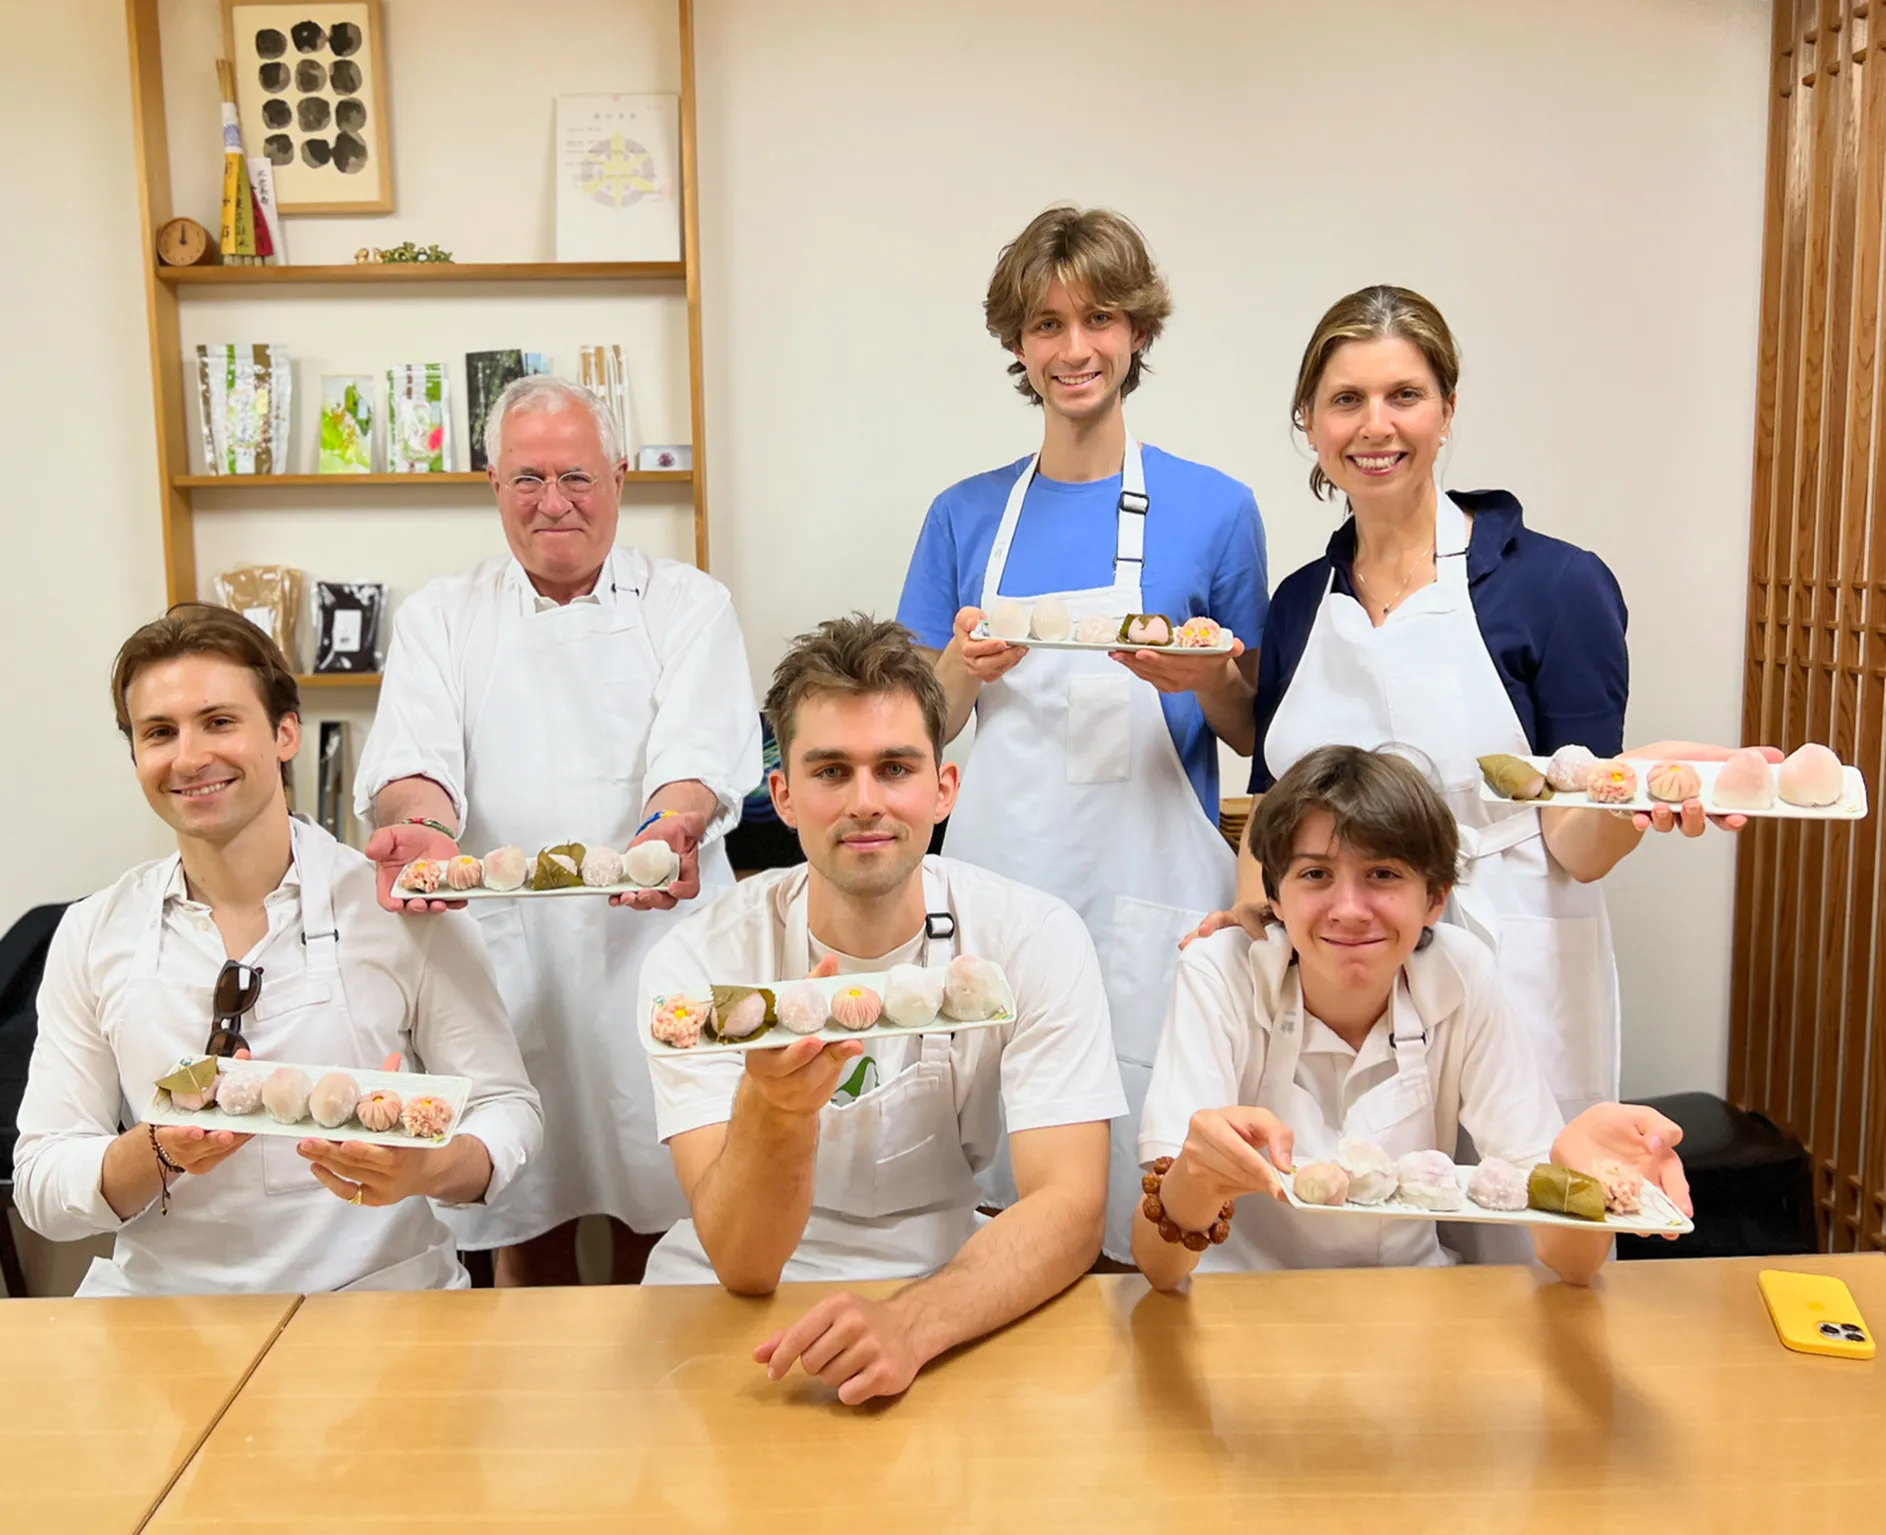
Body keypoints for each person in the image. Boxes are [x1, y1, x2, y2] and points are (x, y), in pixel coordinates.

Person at [1212, 284, 1765, 1128]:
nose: (1376, 426)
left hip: (1512, 958)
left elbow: (1575, 841)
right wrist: (1250, 917)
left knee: (1525, 1221)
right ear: (1311, 422)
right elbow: (1271, 812)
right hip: (1343, 971)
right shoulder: (1298, 602)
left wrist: (1644, 788)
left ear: (1446, 409)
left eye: (1405, 395)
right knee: (1354, 1223)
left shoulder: (1556, 585)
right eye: (1346, 400)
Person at [896, 206, 1268, 1254]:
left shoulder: (1216, 508)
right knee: (1002, 1153)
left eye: (1097, 318)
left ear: (1136, 331)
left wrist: (1209, 677)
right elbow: (920, 728)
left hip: (1155, 890)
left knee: (1154, 1157)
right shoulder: (964, 516)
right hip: (1004, 883)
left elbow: (1252, 731)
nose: (1073, 348)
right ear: (1016, 344)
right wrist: (961, 668)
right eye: (1045, 324)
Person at [637, 615, 1126, 1406]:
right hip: (733, 1294)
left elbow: (1071, 1204)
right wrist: (776, 1109)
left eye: (894, 767)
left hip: (945, 1273)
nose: (865, 802)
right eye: (831, 771)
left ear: (944, 788)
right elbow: (743, 1259)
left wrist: (911, 1323)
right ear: (784, 796)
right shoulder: (699, 966)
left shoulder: (1033, 935)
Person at [355, 376, 760, 1286]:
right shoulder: (441, 617)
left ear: (620, 476)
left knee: (665, 1196)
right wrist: (419, 828)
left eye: (576, 476)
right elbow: (414, 765)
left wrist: (673, 827)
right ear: (492, 484)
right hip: (504, 949)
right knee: (516, 1201)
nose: (553, 503)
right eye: (527, 479)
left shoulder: (689, 604)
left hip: (652, 939)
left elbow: (696, 758)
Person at [14, 606, 542, 1297]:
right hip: (166, 1314)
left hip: (384, 1299)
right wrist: (157, 1149)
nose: (191, 756)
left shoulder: (399, 910)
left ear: (286, 731)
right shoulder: (93, 932)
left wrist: (428, 1167)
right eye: (160, 732)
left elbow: (507, 1107)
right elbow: (41, 1180)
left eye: (220, 721)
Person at [1136, 746, 1691, 1289]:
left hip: (1417, 1310)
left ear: (1435, 898)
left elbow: (1569, 1264)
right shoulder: (1222, 974)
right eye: (1315, 875)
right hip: (1240, 1310)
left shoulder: (1460, 974)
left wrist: (1579, 1179)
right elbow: (1159, 1268)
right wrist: (1192, 1180)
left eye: (1382, 874)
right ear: (1275, 896)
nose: (1349, 909)